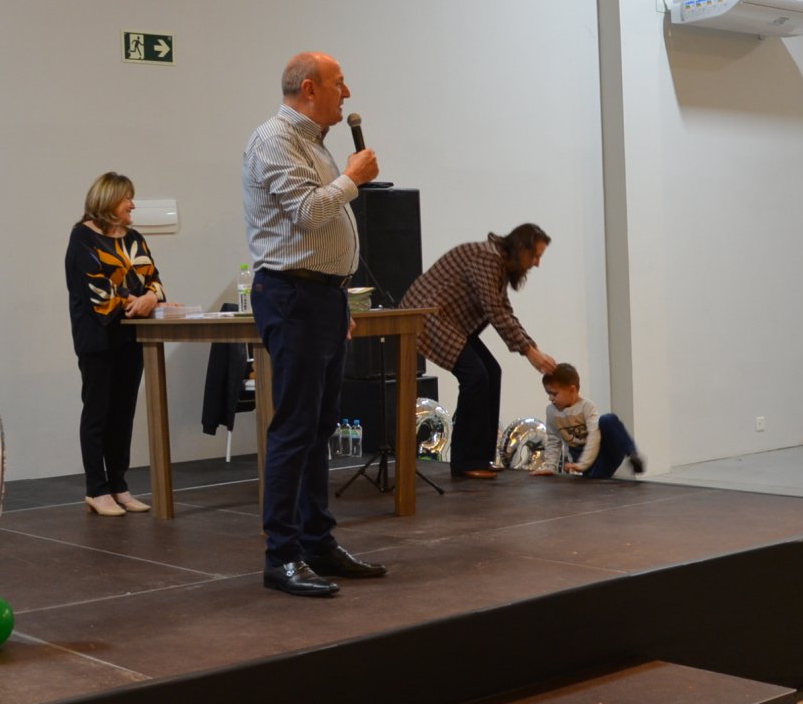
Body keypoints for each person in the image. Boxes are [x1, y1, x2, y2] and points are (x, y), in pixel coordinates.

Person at [242, 52, 389, 598]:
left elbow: (318, 230)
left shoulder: (313, 143)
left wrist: (339, 301)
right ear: (309, 88)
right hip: (291, 296)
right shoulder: (274, 139)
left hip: (320, 298)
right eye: (338, 83)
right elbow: (308, 213)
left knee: (320, 426)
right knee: (295, 427)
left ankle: (316, 542)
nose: (346, 93)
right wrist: (352, 179)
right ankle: (281, 556)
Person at [400, 224, 557, 480]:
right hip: (428, 316)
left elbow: (504, 310)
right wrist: (530, 353)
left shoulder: (498, 264)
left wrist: (533, 349)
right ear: (521, 248)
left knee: (491, 372)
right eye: (535, 256)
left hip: (449, 320)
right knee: (475, 377)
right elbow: (494, 310)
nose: (537, 263)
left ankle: (482, 456)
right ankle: (466, 461)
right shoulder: (487, 258)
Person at [65, 172, 165, 517]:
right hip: (98, 338)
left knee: (123, 413)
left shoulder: (134, 238)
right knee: (98, 413)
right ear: (108, 200)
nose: (132, 205)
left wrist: (150, 298)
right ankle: (97, 490)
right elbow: (98, 291)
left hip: (131, 336)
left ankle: (119, 485)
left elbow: (154, 281)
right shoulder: (82, 237)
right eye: (127, 198)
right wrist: (139, 301)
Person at [532, 363, 645, 479]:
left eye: (554, 394)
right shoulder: (551, 412)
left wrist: (583, 464)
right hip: (581, 455)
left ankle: (632, 453)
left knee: (608, 420)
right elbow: (553, 440)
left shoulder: (587, 407)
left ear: (572, 390)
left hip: (603, 451)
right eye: (548, 393)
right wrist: (550, 467)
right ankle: (593, 473)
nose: (550, 398)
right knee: (594, 481)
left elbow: (594, 437)